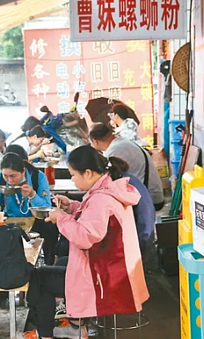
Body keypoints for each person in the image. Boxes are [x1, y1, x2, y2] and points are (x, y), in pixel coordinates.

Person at [27, 145, 149, 339]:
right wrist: (72, 207)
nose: (72, 180)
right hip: (114, 268)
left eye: (73, 175)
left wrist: (61, 218)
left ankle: (45, 335)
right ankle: (77, 325)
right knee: (62, 262)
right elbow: (96, 222)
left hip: (105, 278)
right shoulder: (108, 188)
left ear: (89, 173)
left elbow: (85, 238)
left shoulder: (101, 199)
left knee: (40, 278)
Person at [0, 152, 59, 265]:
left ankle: (48, 263)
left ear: (23, 171)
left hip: (34, 220)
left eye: (13, 176)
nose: (9, 180)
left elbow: (46, 208)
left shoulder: (38, 177)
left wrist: (32, 195)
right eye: (5, 176)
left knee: (50, 227)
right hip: (9, 220)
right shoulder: (0, 179)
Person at [89, 123, 164, 211]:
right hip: (152, 195)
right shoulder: (121, 142)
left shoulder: (114, 151)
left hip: (150, 200)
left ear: (95, 141)